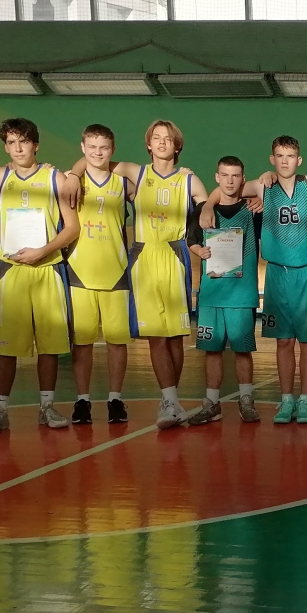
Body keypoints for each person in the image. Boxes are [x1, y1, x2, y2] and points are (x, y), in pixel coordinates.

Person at [210, 137, 307, 424]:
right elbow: (227, 188)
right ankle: (286, 400)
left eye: (291, 156)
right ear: (272, 159)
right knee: (284, 341)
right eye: (280, 156)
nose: (285, 161)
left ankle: (306, 400)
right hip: (276, 272)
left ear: (299, 159)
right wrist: (207, 207)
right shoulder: (263, 186)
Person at [0, 118, 79, 435]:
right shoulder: (0, 177)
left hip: (48, 268)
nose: (18, 148)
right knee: (5, 346)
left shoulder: (54, 177)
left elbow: (73, 227)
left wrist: (43, 250)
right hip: (12, 271)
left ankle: (47, 407)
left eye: (23, 141)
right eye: (11, 142)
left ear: (35, 145)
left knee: (49, 345)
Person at [116, 121, 208, 429]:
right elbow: (96, 162)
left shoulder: (189, 180)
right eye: (156, 138)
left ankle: (171, 400)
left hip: (174, 254)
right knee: (155, 335)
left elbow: (210, 208)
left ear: (177, 145)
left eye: (168, 138)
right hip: (144, 255)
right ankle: (169, 400)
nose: (161, 142)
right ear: (148, 144)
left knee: (176, 336)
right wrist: (71, 176)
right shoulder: (136, 173)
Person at [63, 125, 134, 426]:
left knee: (117, 342)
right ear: (83, 147)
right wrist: (71, 174)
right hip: (80, 271)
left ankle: (115, 398)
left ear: (112, 149)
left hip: (116, 271)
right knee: (82, 343)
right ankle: (82, 400)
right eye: (91, 146)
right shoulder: (72, 181)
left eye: (104, 147)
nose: (97, 152)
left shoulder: (125, 183)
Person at [184, 156, 261, 426]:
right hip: (212, 295)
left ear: (243, 179)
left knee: (243, 350)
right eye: (225, 175)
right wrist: (199, 250)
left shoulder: (253, 209)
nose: (230, 181)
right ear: (217, 177)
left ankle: (246, 401)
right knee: (212, 351)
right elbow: (191, 239)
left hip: (242, 295)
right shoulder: (203, 211)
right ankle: (211, 403)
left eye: (235, 175)